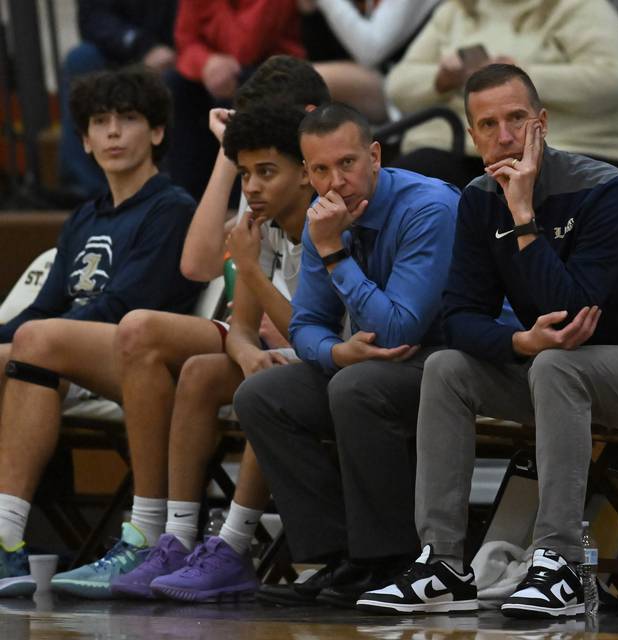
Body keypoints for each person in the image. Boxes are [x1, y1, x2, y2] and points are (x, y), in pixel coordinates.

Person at [358, 63, 618, 617]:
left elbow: (577, 310)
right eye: (487, 125)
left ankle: (559, 565)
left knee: (556, 367)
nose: (504, 136)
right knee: (447, 368)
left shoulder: (605, 191)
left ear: (542, 124)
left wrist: (524, 214)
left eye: (517, 119)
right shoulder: (479, 200)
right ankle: (444, 564)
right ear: (472, 135)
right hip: (565, 367)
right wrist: (518, 345)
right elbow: (458, 318)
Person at [39, 58, 330, 601]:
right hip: (266, 344)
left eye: (260, 131)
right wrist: (231, 156)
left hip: (323, 352)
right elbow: (201, 266)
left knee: (140, 330)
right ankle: (165, 537)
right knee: (188, 365)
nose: (254, 171)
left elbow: (317, 329)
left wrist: (255, 309)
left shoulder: (324, 196)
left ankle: (222, 542)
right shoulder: (263, 184)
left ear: (308, 119)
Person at [233, 103, 460, 608]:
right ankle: (338, 556)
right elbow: (306, 325)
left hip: (455, 361)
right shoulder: (325, 216)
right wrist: (337, 352)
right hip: (378, 362)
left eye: (348, 164)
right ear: (306, 172)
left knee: (358, 388)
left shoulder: (428, 208)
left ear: (374, 155)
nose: (335, 181)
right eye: (319, 170)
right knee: (262, 395)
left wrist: (334, 251)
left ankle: (390, 559)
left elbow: (402, 326)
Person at [0, 66, 204, 598]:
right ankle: (7, 544)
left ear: (157, 132)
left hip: (145, 368)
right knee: (28, 347)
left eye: (129, 119)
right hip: (66, 360)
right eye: (100, 121)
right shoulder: (83, 219)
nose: (113, 132)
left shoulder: (171, 208)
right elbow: (42, 308)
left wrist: (30, 340)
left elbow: (123, 307)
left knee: (36, 344)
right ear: (86, 141)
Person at [111, 100, 324, 603]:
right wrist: (247, 352)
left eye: (266, 172)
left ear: (305, 175)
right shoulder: (260, 226)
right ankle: (179, 539)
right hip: (298, 359)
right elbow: (244, 327)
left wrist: (248, 272)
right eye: (245, 173)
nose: (250, 186)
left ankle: (233, 545)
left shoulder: (325, 223)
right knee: (204, 373)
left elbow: (316, 335)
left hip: (342, 363)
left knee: (267, 387)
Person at [384, 0, 618, 189]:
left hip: (568, 147)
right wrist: (441, 80)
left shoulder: (583, 7)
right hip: (456, 148)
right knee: (403, 185)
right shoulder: (455, 10)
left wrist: (519, 77)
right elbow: (397, 85)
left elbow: (613, 81)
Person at [164, 0, 305, 201]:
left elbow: (244, 46)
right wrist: (206, 63)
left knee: (245, 89)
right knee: (175, 84)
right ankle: (184, 202)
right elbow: (185, 40)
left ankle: (239, 203)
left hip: (272, 66)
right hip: (218, 67)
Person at [59, 0, 179, 200]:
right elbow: (92, 20)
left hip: (173, 53)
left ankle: (168, 186)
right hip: (115, 51)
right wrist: (142, 45)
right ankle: (83, 190)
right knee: (80, 59)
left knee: (176, 79)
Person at [296, 0, 440, 122]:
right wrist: (311, 13)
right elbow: (325, 56)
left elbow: (370, 51)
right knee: (292, 79)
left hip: (410, 87)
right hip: (379, 75)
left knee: (302, 80)